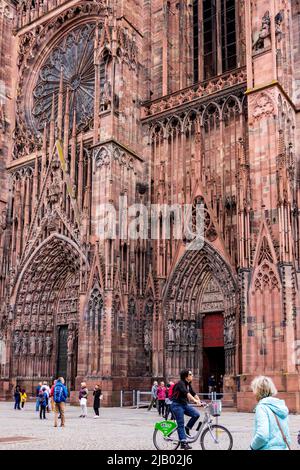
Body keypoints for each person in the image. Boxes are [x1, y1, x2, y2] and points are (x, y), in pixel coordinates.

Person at [250, 376, 291, 450]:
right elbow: (286, 434)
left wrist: (252, 447)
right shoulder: (280, 406)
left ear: (258, 391)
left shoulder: (262, 407)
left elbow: (262, 435)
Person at [170, 369, 202, 450]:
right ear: (186, 376)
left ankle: (187, 428)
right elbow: (186, 393)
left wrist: (200, 401)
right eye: (190, 374)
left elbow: (193, 393)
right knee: (180, 423)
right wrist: (195, 401)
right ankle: (183, 443)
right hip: (177, 405)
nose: (192, 376)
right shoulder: (181, 383)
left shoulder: (188, 384)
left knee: (196, 414)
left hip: (184, 404)